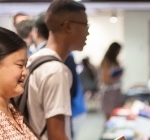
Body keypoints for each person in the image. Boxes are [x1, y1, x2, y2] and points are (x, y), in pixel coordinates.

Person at [26, 0, 89, 139]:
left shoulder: (33, 60)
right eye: (85, 25)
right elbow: (56, 135)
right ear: (68, 26)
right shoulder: (56, 71)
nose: (88, 32)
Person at [100, 42, 124, 121]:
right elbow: (105, 79)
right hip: (109, 91)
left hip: (116, 90)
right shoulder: (107, 61)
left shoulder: (116, 61)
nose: (119, 53)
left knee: (116, 114)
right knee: (109, 115)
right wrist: (116, 77)